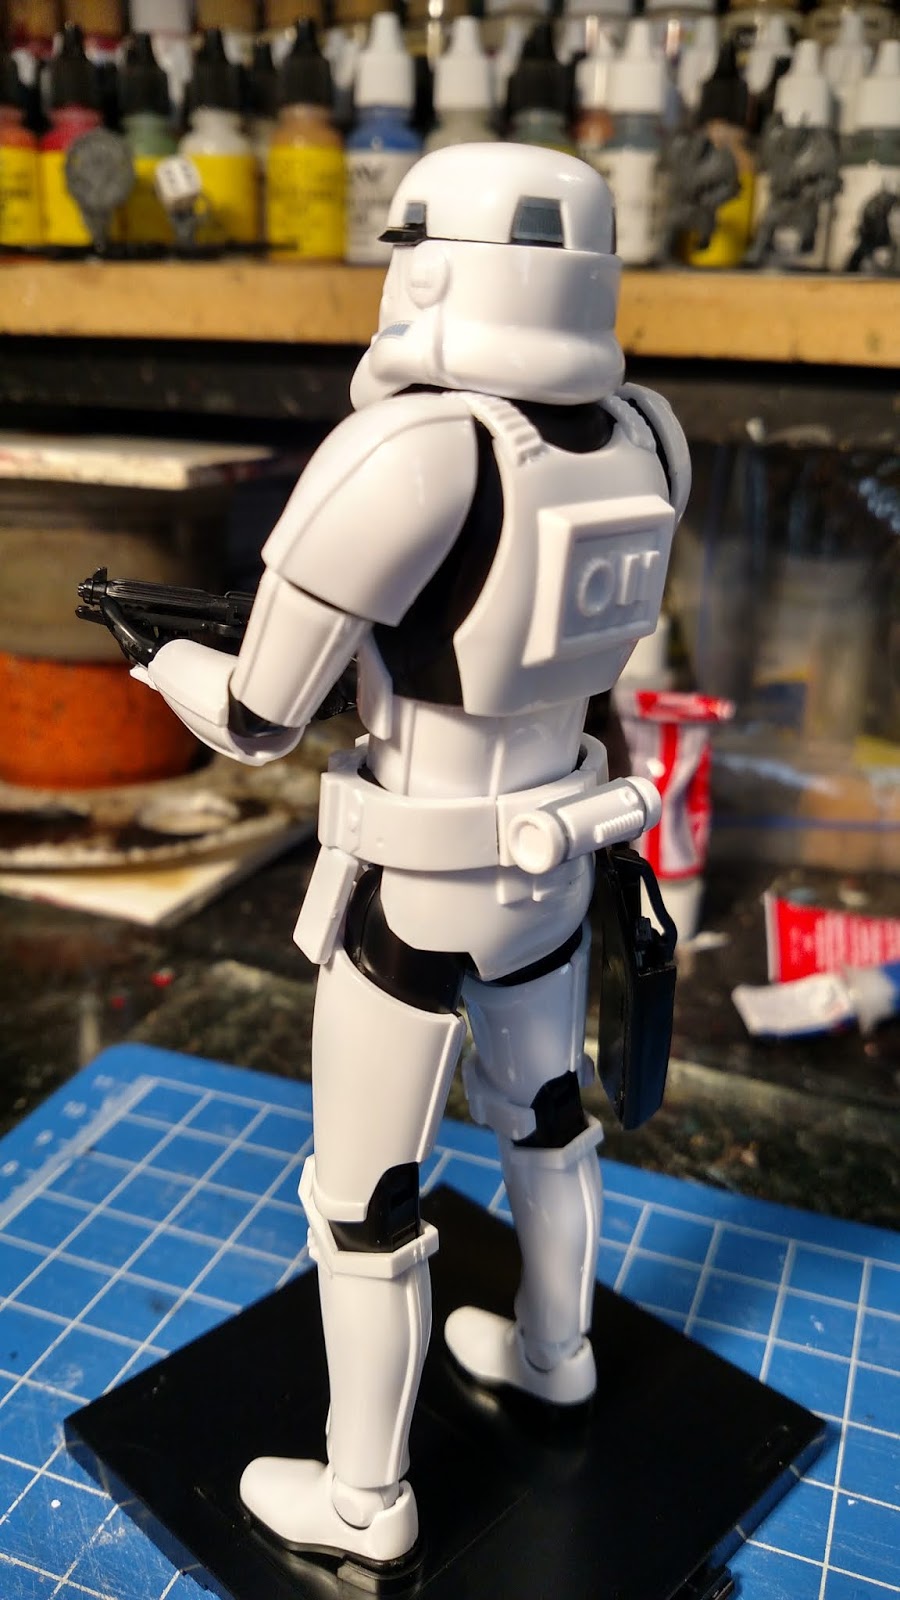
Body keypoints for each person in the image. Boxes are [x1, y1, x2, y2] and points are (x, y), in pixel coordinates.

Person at [106, 143, 690, 1570]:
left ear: (428, 263)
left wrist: (163, 660)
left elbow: (261, 715)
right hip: (555, 863)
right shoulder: (649, 432)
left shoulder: (413, 450)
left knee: (362, 1196)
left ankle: (367, 1500)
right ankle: (555, 1353)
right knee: (545, 1118)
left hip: (417, 889)